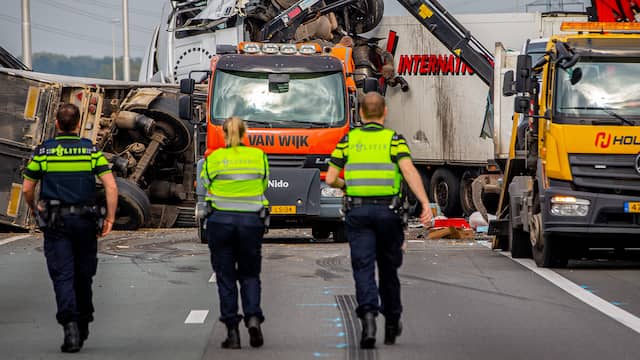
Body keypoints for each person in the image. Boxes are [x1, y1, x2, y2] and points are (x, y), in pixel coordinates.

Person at [325, 92, 432, 349]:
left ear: (360, 114)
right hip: (388, 213)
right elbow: (408, 171)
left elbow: (330, 178)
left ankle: (369, 318)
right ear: (384, 113)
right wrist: (426, 204)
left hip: (358, 213)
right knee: (388, 269)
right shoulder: (394, 140)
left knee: (363, 267)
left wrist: (347, 185)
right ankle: (392, 320)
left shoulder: (348, 140)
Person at [22, 103, 118, 353]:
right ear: (78, 124)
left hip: (56, 222)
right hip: (86, 222)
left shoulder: (44, 152)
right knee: (84, 274)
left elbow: (26, 188)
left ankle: (70, 326)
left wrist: (33, 208)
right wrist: (110, 218)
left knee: (63, 274)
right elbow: (111, 186)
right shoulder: (90, 151)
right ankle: (84, 319)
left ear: (56, 123)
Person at [201, 116, 270, 349]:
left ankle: (232, 332)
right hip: (251, 223)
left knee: (226, 277)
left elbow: (206, 185)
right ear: (245, 134)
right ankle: (252, 317)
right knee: (250, 275)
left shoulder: (214, 159)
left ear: (223, 134)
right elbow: (263, 186)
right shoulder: (258, 157)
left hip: (220, 223)